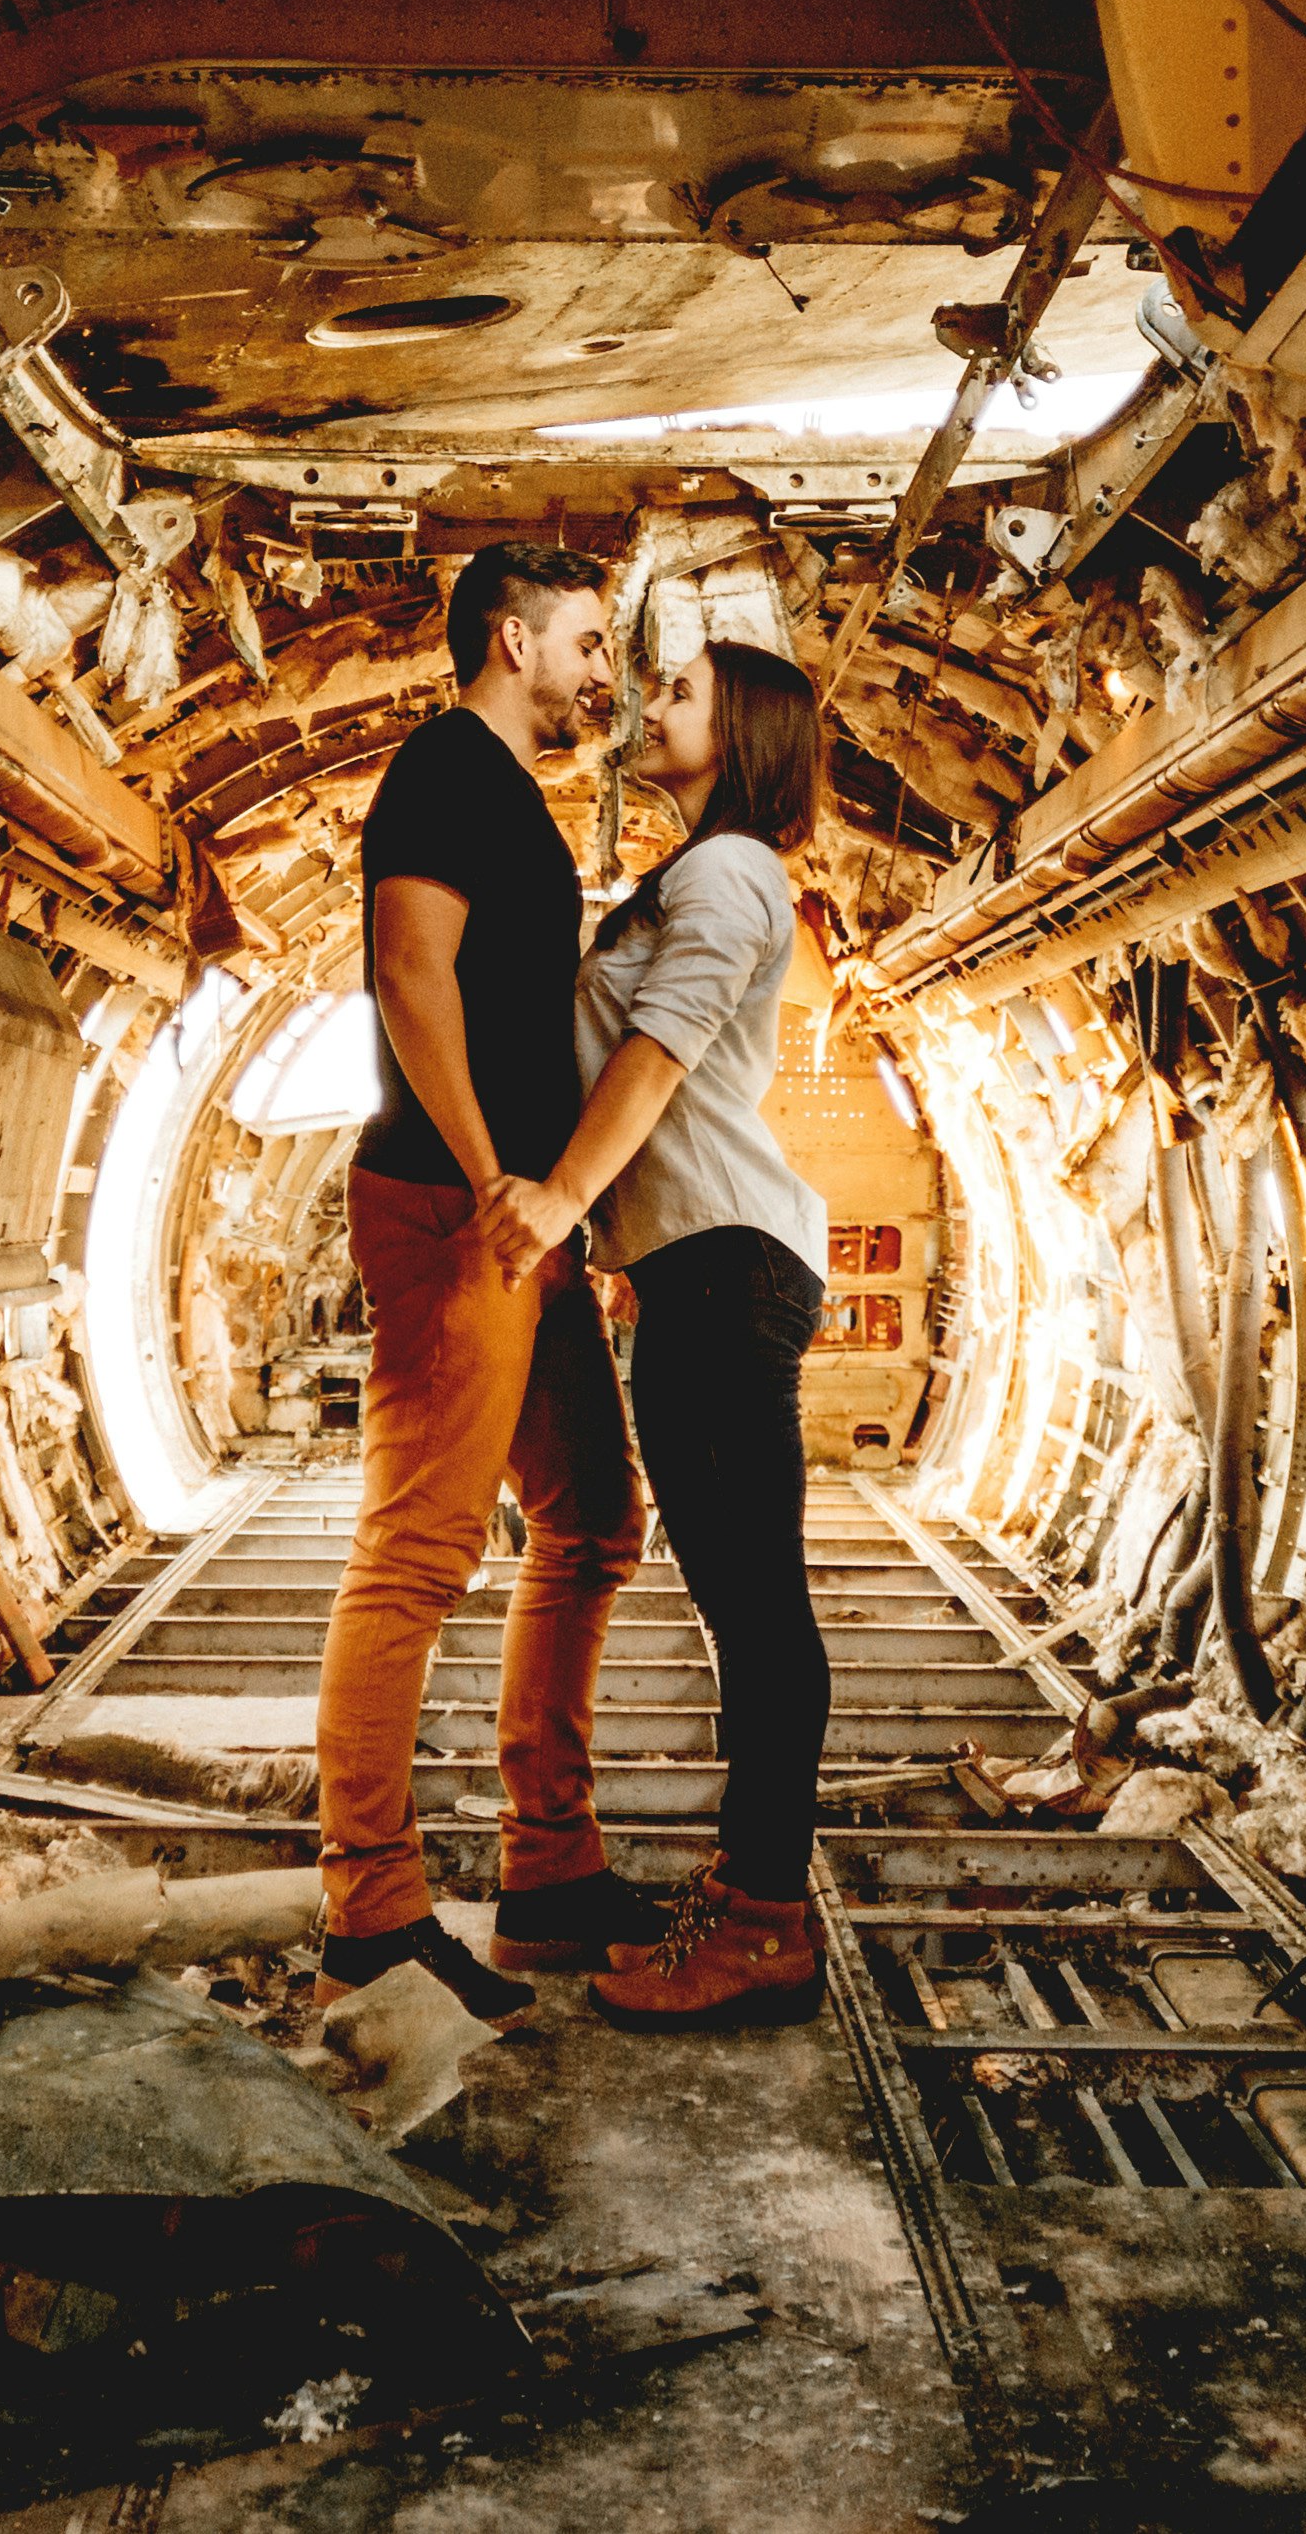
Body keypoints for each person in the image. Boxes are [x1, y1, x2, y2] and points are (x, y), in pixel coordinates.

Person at [314, 541, 677, 2021]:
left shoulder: (506, 790)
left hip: (526, 1221)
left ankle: (548, 1862)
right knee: (415, 1550)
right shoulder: (446, 773)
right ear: (511, 637)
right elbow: (410, 974)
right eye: (588, 642)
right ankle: (371, 1902)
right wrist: (488, 1185)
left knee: (593, 1516)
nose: (605, 672)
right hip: (458, 1213)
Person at [478, 638, 841, 2029]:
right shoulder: (699, 872)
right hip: (694, 1267)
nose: (649, 702)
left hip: (723, 1265)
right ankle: (751, 1891)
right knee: (739, 1601)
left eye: (681, 690)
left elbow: (662, 1046)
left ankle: (763, 1926)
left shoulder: (731, 870)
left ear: (742, 732)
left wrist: (564, 1197)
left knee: (756, 1607)